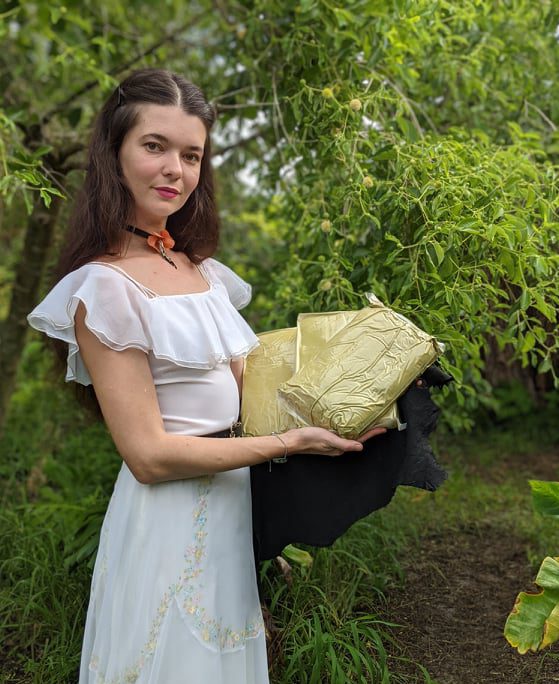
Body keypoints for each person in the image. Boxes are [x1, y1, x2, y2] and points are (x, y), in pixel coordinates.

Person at [27, 68, 387, 684]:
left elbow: (257, 393)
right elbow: (147, 456)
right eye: (154, 146)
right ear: (113, 154)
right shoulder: (106, 288)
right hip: (163, 522)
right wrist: (287, 444)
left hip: (231, 505)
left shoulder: (202, 273)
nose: (176, 169)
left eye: (191, 155)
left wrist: (353, 400)